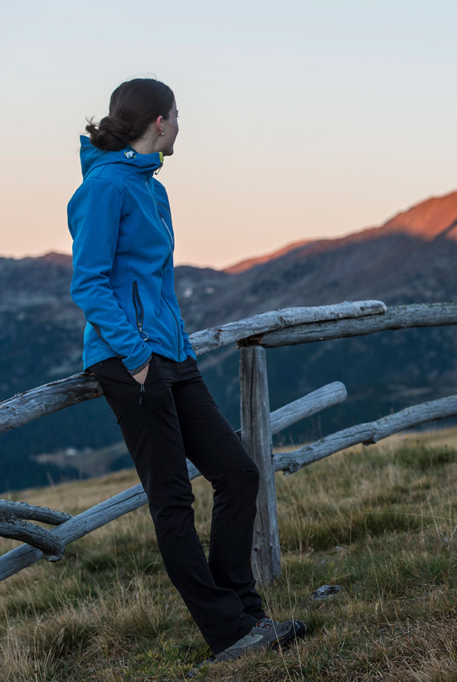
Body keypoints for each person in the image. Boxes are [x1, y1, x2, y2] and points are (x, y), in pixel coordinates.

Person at [67, 77, 305, 663]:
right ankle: (228, 633)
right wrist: (138, 355)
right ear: (157, 122)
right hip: (132, 363)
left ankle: (245, 613)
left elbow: (151, 281)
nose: (181, 125)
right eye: (177, 114)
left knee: (238, 473)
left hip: (174, 356)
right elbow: (88, 283)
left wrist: (171, 349)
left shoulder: (152, 187)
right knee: (172, 502)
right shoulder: (104, 187)